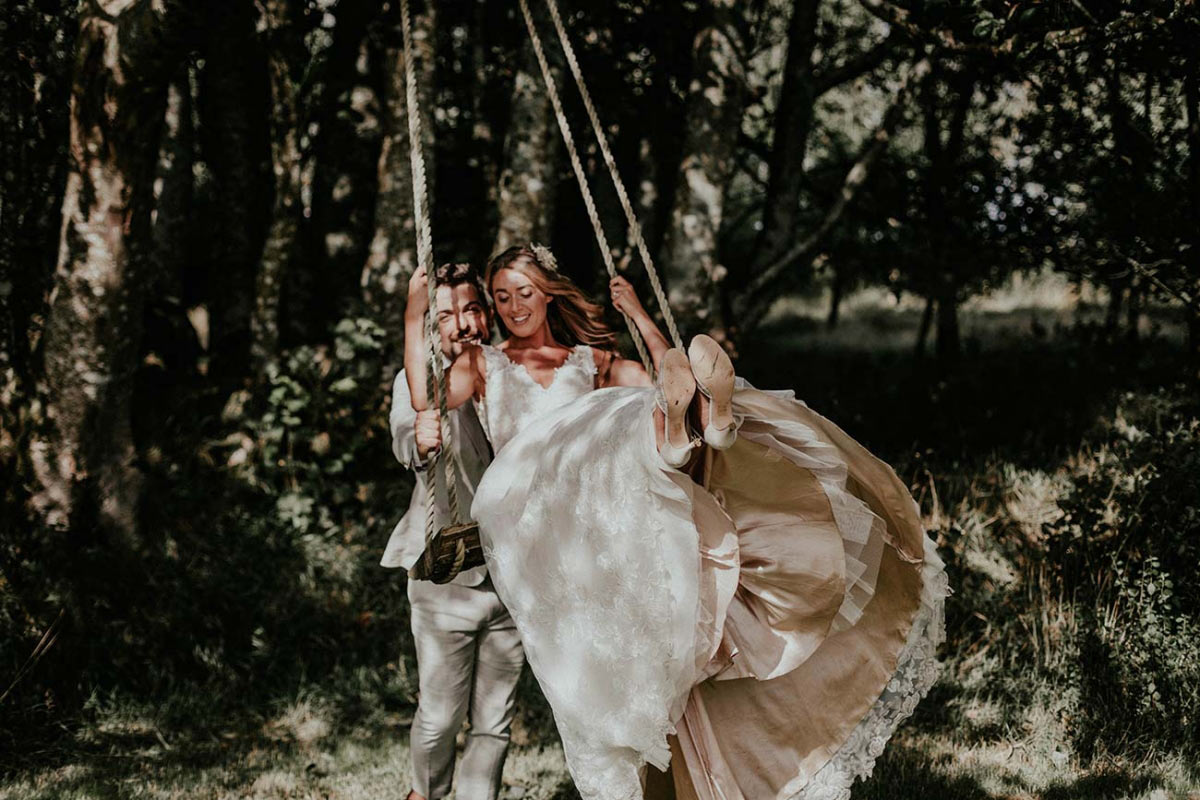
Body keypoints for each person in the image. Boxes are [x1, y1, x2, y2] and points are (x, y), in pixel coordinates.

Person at [403, 245, 948, 800]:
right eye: (502, 297)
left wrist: (639, 315)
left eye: (525, 292)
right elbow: (427, 401)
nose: (515, 305)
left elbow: (661, 376)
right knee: (598, 426)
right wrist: (414, 313)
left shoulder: (588, 361)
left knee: (627, 407)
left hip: (588, 507)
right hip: (528, 495)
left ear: (549, 294)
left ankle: (700, 426)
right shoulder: (483, 363)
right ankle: (681, 438)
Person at [385, 262, 525, 800]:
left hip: (513, 576)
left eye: (471, 308)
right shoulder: (423, 383)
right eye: (446, 315)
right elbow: (407, 431)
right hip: (447, 576)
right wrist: (419, 441)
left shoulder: (514, 371)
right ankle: (427, 794)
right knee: (441, 717)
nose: (464, 323)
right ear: (431, 327)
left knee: (494, 723)